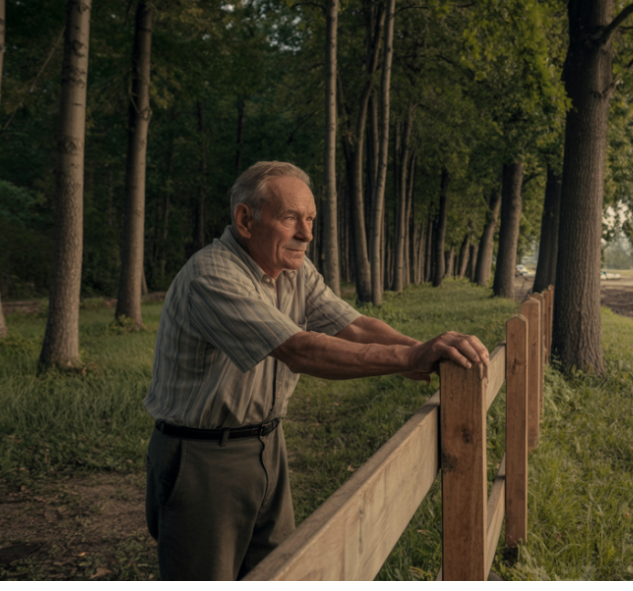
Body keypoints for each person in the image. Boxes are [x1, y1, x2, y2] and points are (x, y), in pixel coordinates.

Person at [144, 161, 488, 580]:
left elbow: (355, 325)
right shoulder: (211, 276)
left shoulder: (294, 270)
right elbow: (299, 350)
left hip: (269, 445)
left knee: (278, 574)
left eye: (309, 219)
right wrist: (412, 359)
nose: (306, 234)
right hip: (203, 459)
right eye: (291, 218)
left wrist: (425, 353)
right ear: (245, 220)